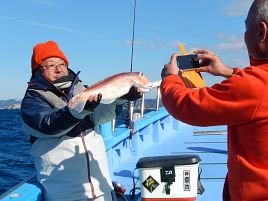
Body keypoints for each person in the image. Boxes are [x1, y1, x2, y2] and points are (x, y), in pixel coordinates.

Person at [160, 0, 268, 200]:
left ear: (261, 32)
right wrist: (229, 72)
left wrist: (170, 79)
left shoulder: (253, 86)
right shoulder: (255, 85)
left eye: (246, 27)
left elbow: (188, 106)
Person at [20, 40, 141, 201]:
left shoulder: (81, 90)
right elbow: (48, 125)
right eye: (50, 65)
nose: (58, 69)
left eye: (62, 64)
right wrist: (77, 111)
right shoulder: (32, 100)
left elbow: (99, 116)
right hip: (66, 194)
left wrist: (120, 99)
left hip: (101, 188)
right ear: (38, 70)